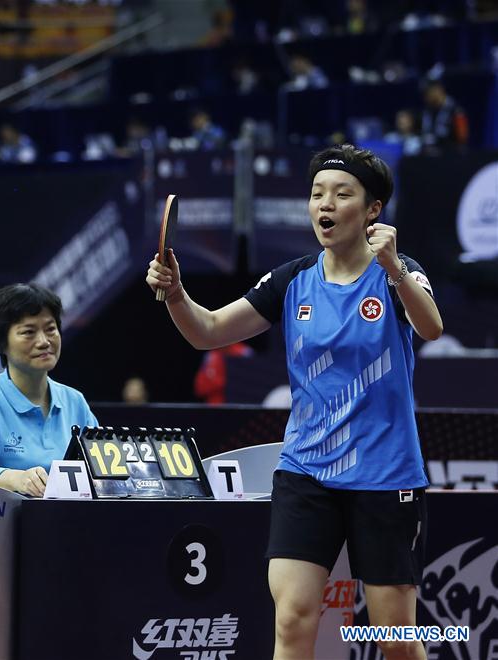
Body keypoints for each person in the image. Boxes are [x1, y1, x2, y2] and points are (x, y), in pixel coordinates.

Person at [147, 143, 442, 660]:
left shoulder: (399, 272)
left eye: (342, 194)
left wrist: (393, 266)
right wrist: (175, 294)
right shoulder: (292, 280)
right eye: (316, 194)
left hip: (385, 475)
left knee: (395, 637)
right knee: (292, 618)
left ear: (373, 209)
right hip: (307, 473)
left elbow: (431, 327)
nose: (324, 204)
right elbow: (208, 330)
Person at [0, 284, 97, 498]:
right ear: (1, 344)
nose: (44, 342)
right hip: (4, 524)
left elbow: (100, 473)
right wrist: (16, 479)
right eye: (28, 332)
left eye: (51, 329)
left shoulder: (75, 401)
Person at [420, 80, 469, 150]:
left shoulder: (455, 109)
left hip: (450, 153)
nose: (425, 97)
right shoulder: (428, 110)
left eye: (427, 93)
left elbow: (462, 136)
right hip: (431, 152)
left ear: (438, 90)